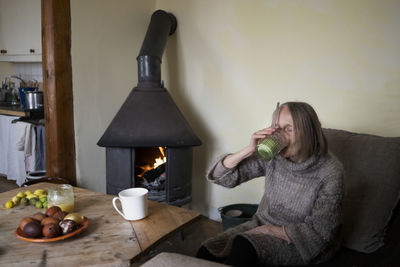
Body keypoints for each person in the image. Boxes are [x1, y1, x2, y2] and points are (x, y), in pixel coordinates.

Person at [197, 102, 344, 266]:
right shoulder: (275, 157)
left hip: (300, 241)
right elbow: (220, 177)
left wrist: (269, 231)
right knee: (208, 250)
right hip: (264, 222)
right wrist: (249, 150)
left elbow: (320, 233)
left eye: (288, 129)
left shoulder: (330, 172)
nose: (279, 136)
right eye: (277, 128)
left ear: (309, 133)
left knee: (243, 248)